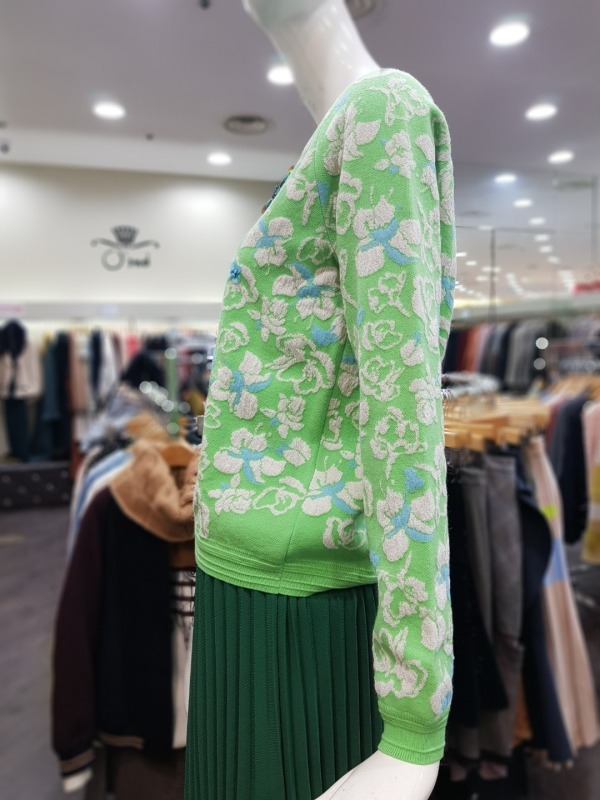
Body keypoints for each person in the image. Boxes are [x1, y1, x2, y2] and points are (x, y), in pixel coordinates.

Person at [185, 1, 456, 798]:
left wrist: (413, 723)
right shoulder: (339, 132)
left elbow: (404, 419)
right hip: (243, 588)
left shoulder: (384, 109)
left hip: (301, 609)